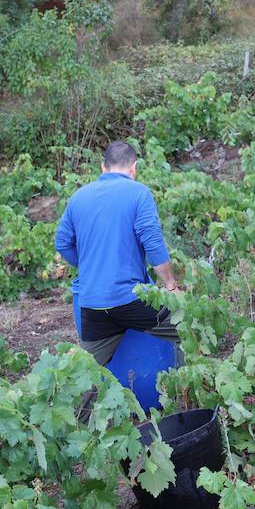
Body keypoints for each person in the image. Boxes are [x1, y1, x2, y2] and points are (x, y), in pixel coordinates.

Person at [54, 140, 180, 367]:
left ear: (103, 168)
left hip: (91, 304)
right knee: (184, 328)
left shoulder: (79, 197)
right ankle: (189, 395)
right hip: (131, 300)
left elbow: (62, 242)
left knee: (88, 374)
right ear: (134, 168)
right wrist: (170, 285)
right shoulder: (139, 193)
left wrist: (87, 267)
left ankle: (79, 403)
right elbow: (151, 241)